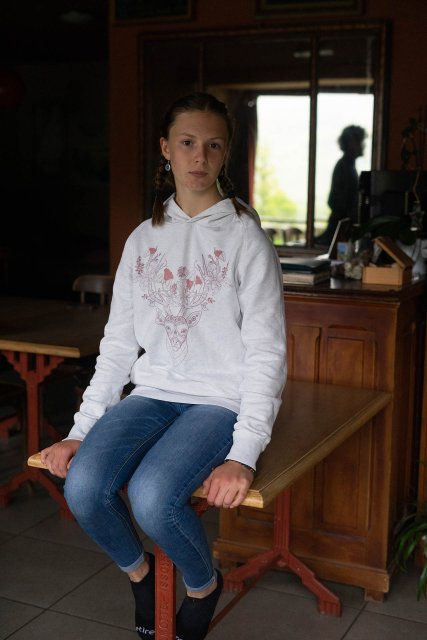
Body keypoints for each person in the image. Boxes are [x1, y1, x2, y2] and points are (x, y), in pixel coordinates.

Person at [40, 92, 287, 640]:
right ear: (166, 150)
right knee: (83, 487)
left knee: (154, 498)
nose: (200, 156)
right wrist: (82, 429)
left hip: (218, 400)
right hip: (152, 393)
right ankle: (142, 575)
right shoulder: (141, 239)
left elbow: (268, 351)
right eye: (188, 142)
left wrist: (243, 454)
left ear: (226, 154)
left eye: (214, 145)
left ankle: (202, 585)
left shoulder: (246, 238)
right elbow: (118, 344)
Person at [315, 124, 367, 246]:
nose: (363, 145)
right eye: (360, 142)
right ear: (351, 143)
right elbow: (335, 200)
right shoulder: (344, 166)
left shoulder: (348, 166)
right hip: (339, 225)